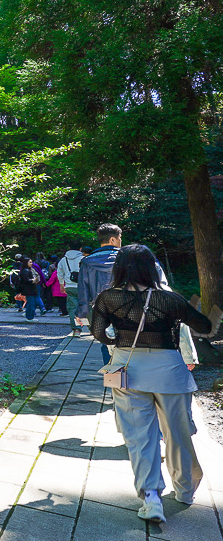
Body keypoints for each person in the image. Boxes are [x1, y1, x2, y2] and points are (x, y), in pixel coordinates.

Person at [90, 245, 211, 523]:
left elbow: (97, 332)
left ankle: (151, 498)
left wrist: (116, 342)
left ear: (119, 267)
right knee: (177, 434)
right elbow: (204, 327)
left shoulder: (108, 297)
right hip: (169, 371)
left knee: (139, 437)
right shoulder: (170, 299)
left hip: (127, 369)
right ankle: (184, 491)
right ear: (151, 267)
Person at [77, 224, 123, 363]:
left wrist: (81, 313)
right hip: (127, 307)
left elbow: (83, 291)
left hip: (100, 310)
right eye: (120, 238)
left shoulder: (87, 262)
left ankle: (112, 377)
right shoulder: (127, 259)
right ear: (113, 240)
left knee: (106, 342)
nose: (121, 241)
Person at [58, 247, 85, 336]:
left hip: (69, 286)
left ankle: (77, 330)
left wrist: (62, 284)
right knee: (87, 307)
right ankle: (92, 328)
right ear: (80, 248)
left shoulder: (63, 260)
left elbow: (60, 273)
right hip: (83, 286)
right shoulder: (83, 258)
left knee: (73, 308)